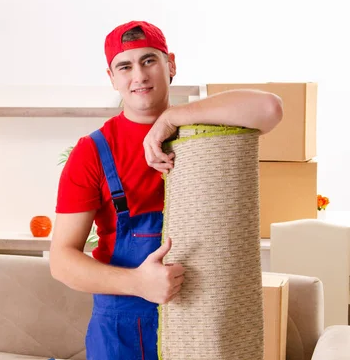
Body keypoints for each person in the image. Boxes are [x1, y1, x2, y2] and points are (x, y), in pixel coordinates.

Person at [49, 20, 283, 359]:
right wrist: (139, 283)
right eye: (124, 66)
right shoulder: (93, 152)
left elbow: (270, 108)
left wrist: (172, 119)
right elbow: (61, 261)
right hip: (122, 328)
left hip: (201, 319)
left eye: (149, 61)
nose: (139, 76)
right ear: (112, 77)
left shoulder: (206, 129)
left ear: (170, 64)